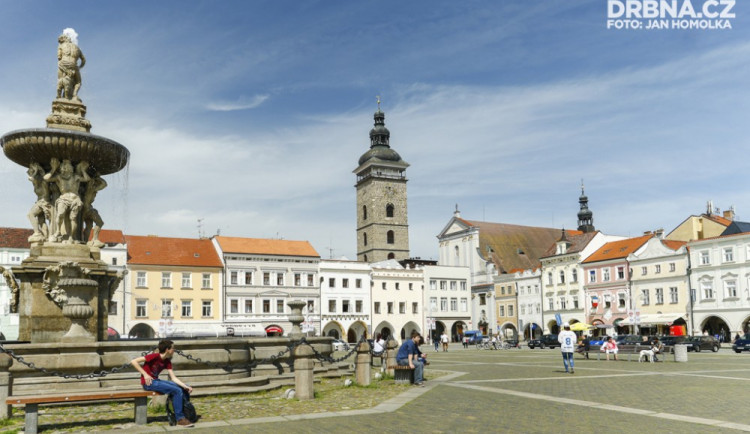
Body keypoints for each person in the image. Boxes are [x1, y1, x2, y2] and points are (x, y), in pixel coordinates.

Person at [131, 339, 195, 427]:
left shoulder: (167, 361)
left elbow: (173, 378)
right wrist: (145, 375)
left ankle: (186, 413)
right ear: (167, 350)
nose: (174, 350)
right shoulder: (154, 356)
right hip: (148, 383)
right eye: (173, 348)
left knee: (184, 387)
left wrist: (185, 386)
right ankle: (180, 419)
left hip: (156, 381)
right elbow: (134, 361)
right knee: (177, 390)